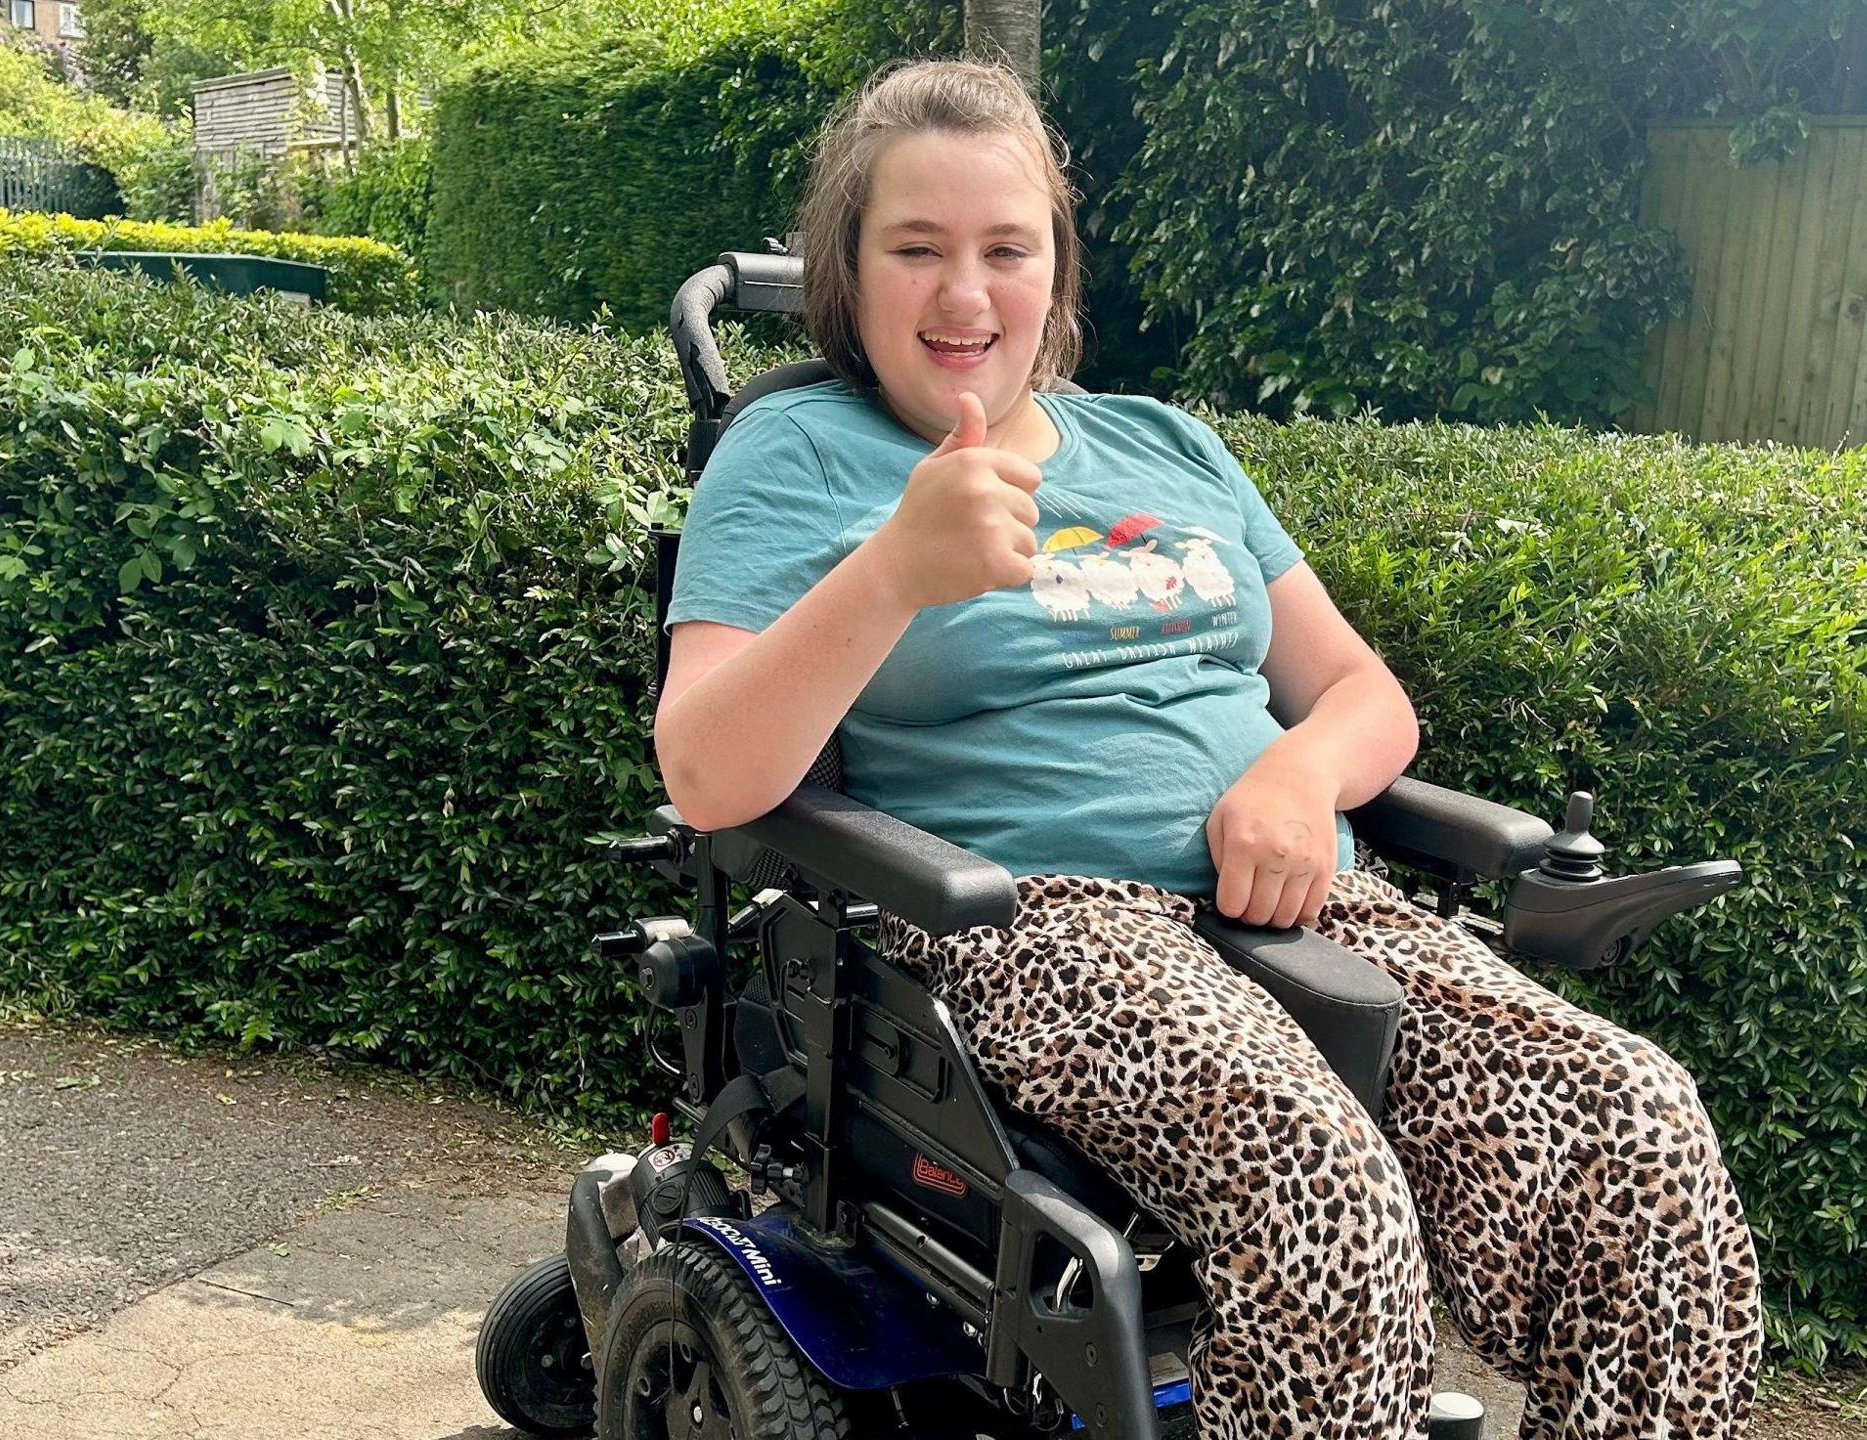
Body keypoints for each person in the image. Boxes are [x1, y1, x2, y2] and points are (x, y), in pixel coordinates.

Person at [652, 57, 1761, 1440]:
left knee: (1636, 1119)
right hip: (1034, 923)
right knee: (1318, 1187)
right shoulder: (799, 452)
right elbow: (705, 771)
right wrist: (895, 569)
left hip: (1306, 900)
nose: (963, 295)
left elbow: (1363, 694)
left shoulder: (1167, 447)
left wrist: (1297, 776)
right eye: (915, 249)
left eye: (1008, 249)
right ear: (846, 270)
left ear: (1054, 273)